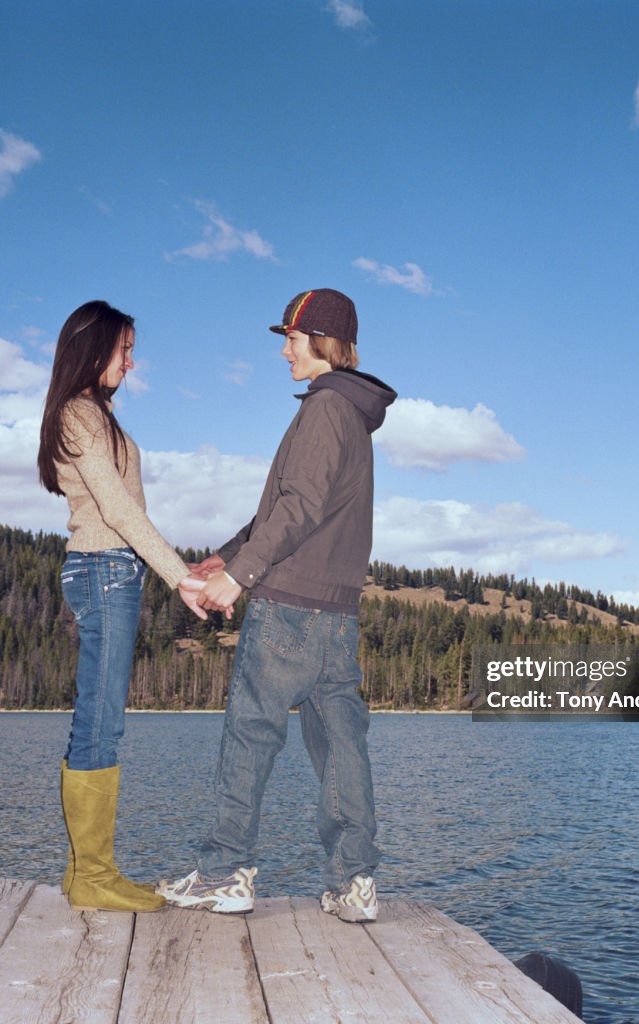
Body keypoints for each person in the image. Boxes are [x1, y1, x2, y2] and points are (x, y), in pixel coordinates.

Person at [158, 288, 396, 922]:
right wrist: (225, 555)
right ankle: (353, 885)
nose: (284, 351)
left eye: (291, 339)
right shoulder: (348, 412)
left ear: (320, 341)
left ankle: (222, 874)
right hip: (337, 613)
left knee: (250, 734)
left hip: (289, 605)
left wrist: (240, 576)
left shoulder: (324, 410)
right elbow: (284, 507)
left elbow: (300, 506)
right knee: (341, 742)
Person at [38, 299, 207, 913]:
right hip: (105, 568)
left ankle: (86, 871)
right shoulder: (79, 415)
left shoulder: (93, 413)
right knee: (100, 720)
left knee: (100, 717)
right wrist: (180, 578)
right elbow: (116, 509)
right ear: (95, 347)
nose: (131, 363)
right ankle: (93, 877)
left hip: (112, 570)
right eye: (125, 350)